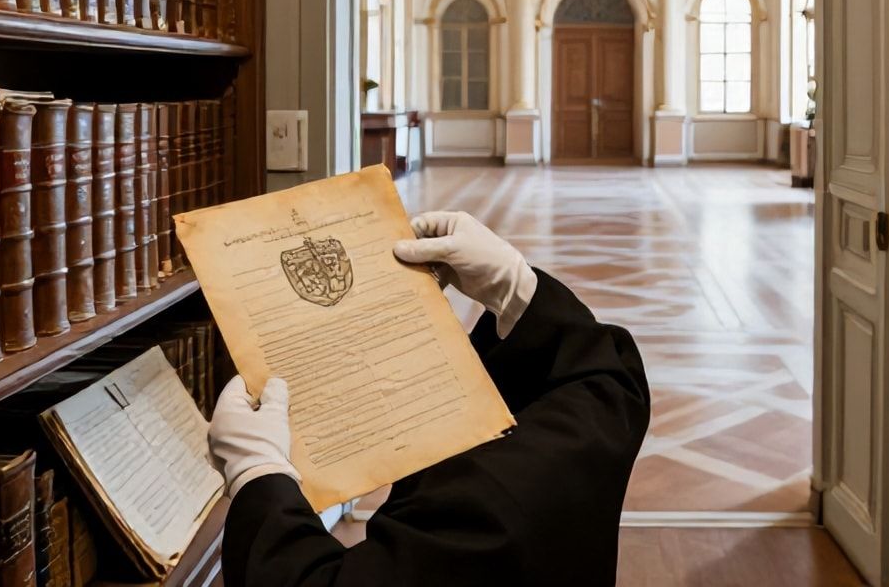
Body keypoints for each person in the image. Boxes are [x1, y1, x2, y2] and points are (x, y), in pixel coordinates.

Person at [207, 210, 652, 587]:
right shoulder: (586, 427)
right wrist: (517, 290)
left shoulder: (475, 519)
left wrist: (257, 473)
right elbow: (607, 381)